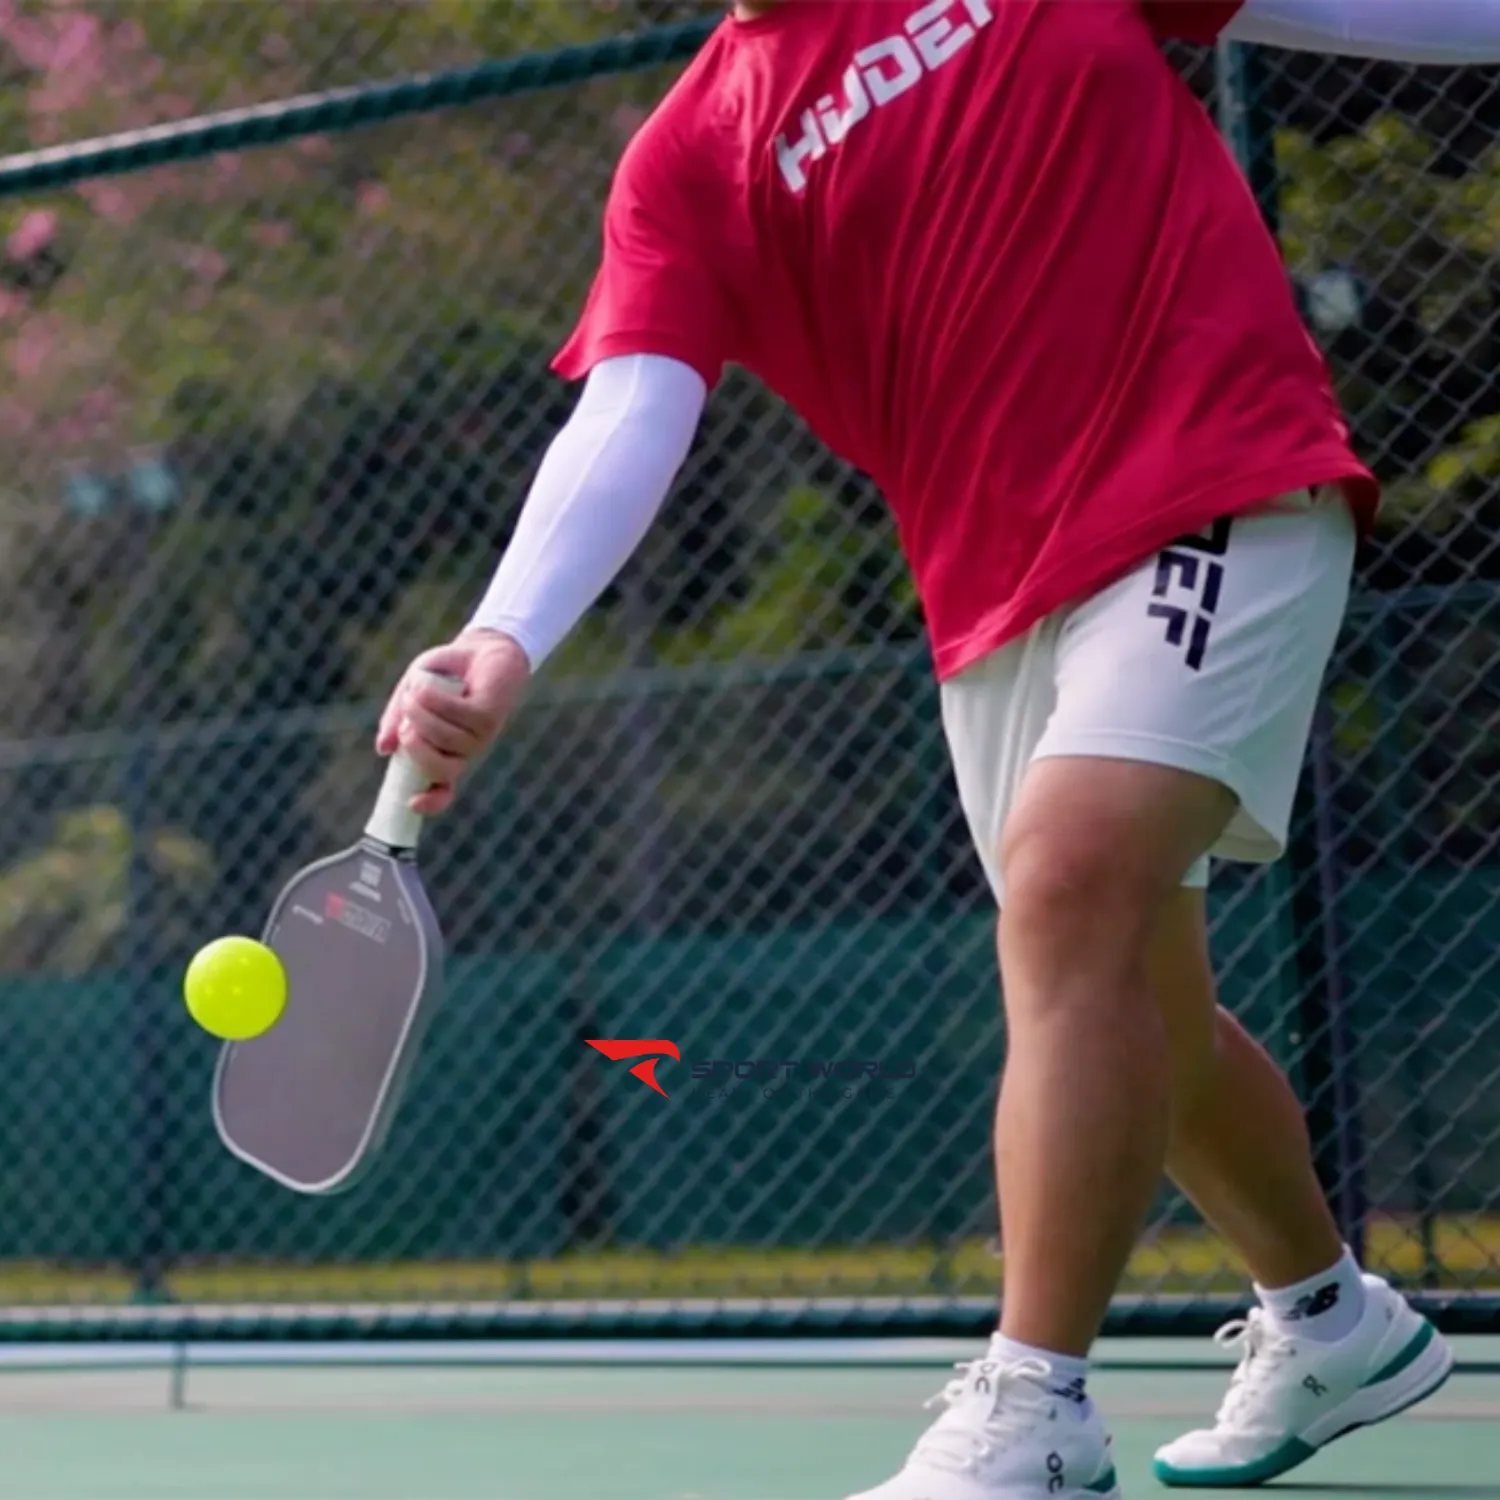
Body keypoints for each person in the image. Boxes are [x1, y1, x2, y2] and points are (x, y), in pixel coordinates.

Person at [377, 4, 1500, 1495]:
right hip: (991, 601)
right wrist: (505, 631)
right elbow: (634, 398)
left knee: (1068, 893)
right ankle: (1332, 1321)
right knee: (1128, 998)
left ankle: (1033, 1412)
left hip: (1216, 476)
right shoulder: (689, 155)